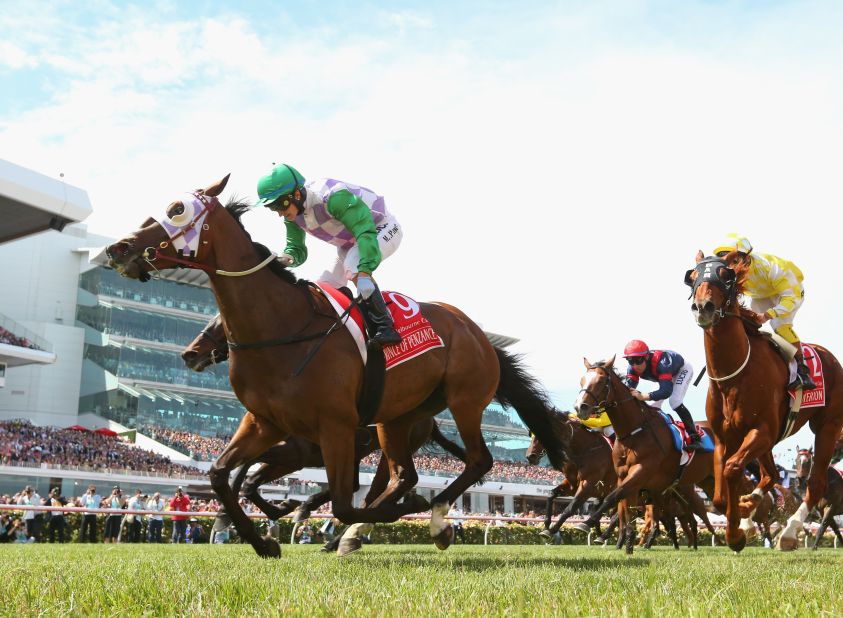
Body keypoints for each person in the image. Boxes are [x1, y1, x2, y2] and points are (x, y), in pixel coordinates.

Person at [255, 164, 403, 345]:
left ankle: (385, 327)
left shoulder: (333, 197)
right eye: (272, 207)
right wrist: (286, 259)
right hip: (350, 244)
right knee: (324, 287)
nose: (279, 213)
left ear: (297, 194)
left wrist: (364, 272)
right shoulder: (292, 216)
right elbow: (297, 249)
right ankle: (351, 329)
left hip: (380, 228)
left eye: (280, 204)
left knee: (354, 265)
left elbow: (364, 231)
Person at [713, 234, 816, 389]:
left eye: (733, 260)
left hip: (788, 294)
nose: (730, 266)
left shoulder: (773, 267)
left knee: (779, 326)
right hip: (761, 296)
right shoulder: (730, 272)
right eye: (725, 261)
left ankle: (803, 371)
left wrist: (768, 314)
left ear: (745, 257)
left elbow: (791, 298)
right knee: (747, 325)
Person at [622, 340, 703, 452]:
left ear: (646, 357)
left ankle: (695, 438)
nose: (635, 365)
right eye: (630, 361)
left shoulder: (663, 363)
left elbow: (666, 391)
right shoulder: (632, 368)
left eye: (638, 360)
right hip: (665, 378)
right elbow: (626, 391)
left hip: (681, 371)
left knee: (675, 401)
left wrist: (643, 396)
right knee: (652, 405)